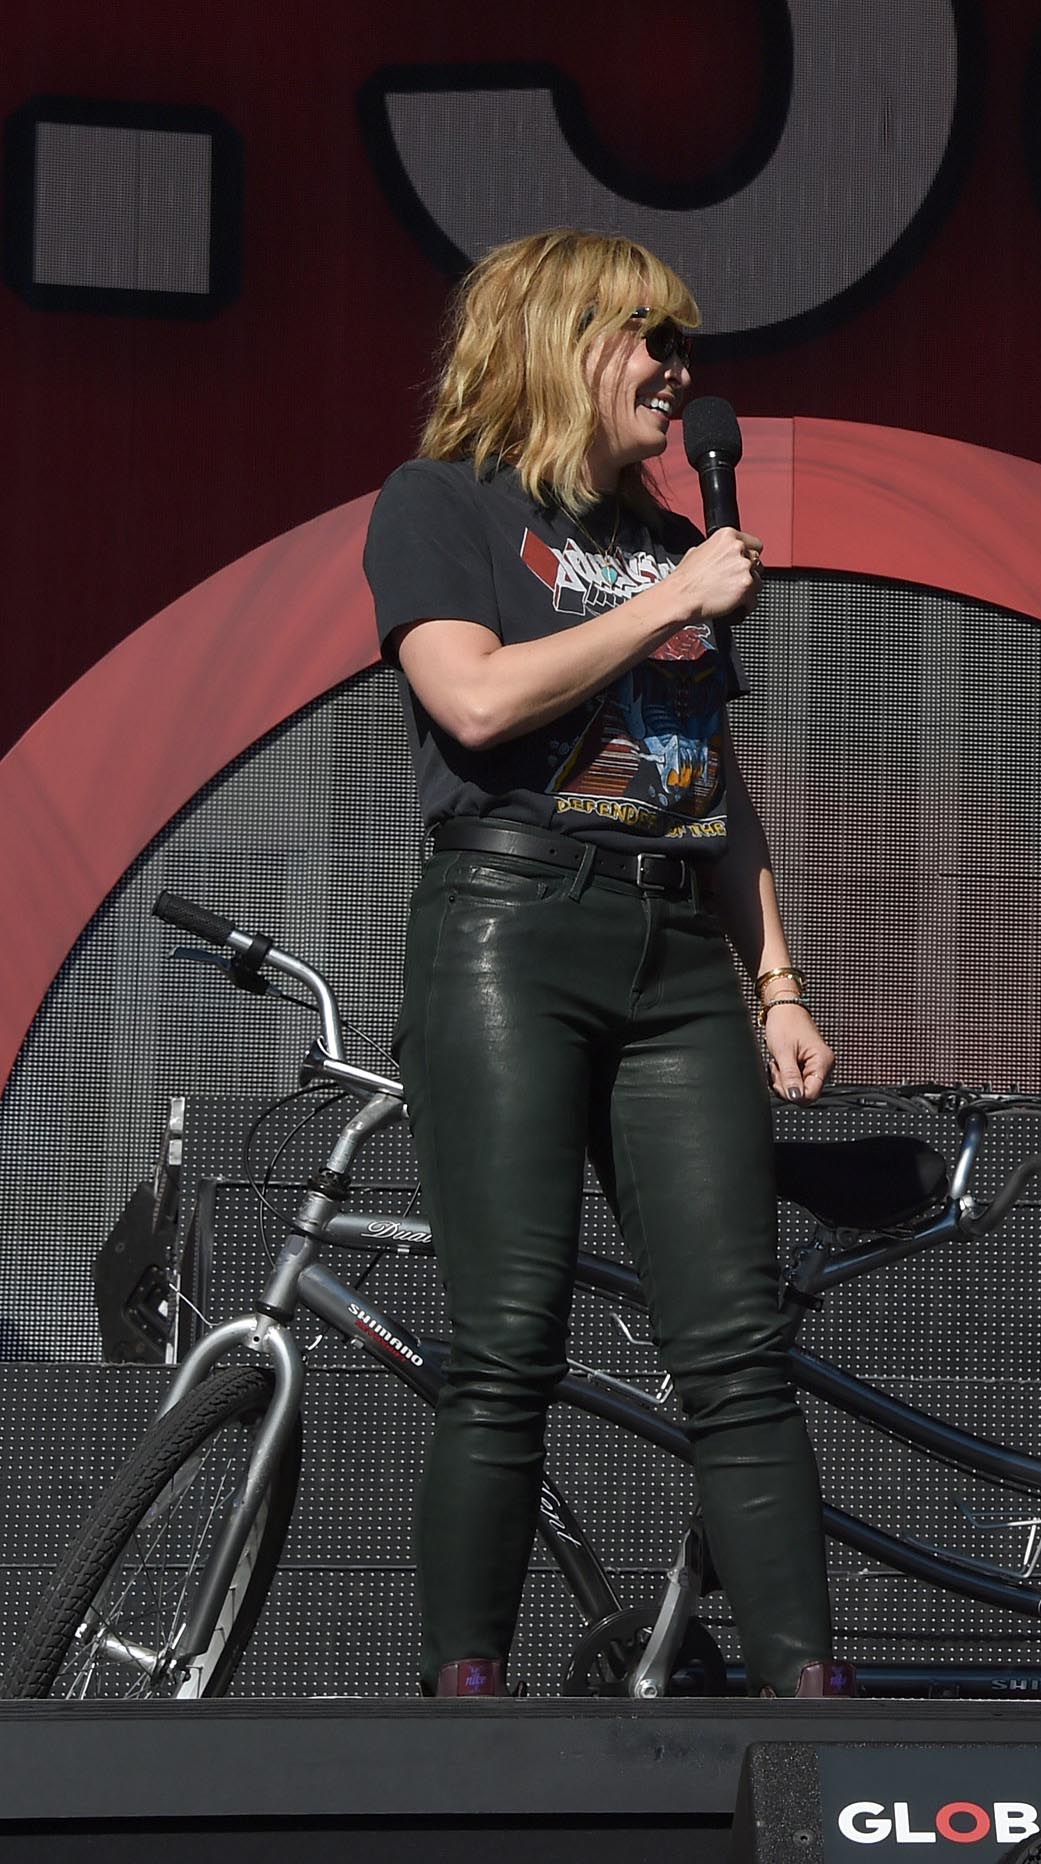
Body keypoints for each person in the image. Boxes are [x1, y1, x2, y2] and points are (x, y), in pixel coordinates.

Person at [362, 229, 844, 1698]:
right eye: (651, 337)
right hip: (513, 931)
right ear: (560, 341)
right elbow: (477, 696)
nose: (681, 371)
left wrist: (776, 977)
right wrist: (672, 601)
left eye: (684, 342)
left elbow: (717, 776)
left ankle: (810, 1711)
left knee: (737, 1352)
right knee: (509, 1346)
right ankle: (467, 1701)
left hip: (676, 953)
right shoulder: (440, 505)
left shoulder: (657, 535)